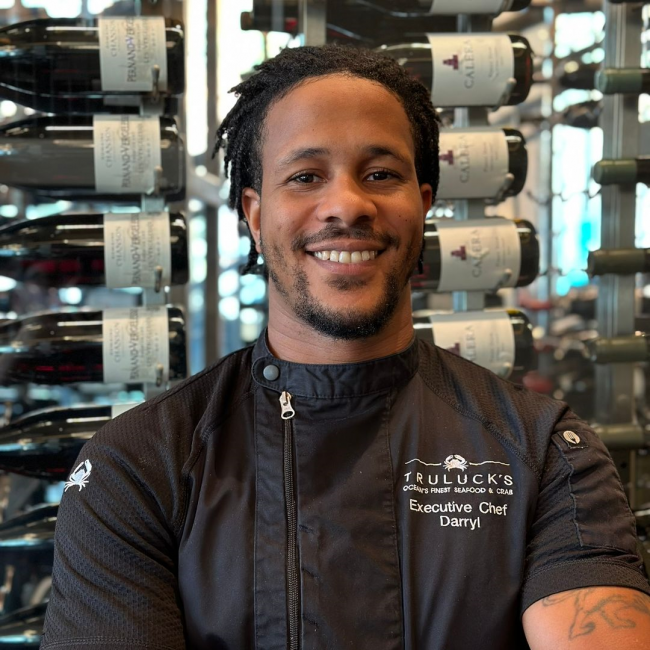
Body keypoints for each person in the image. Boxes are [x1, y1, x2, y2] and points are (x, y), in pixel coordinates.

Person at [41, 45, 650, 650]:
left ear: (424, 204)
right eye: (305, 177)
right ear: (255, 213)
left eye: (381, 174)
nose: (347, 206)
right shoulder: (138, 466)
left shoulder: (542, 451)